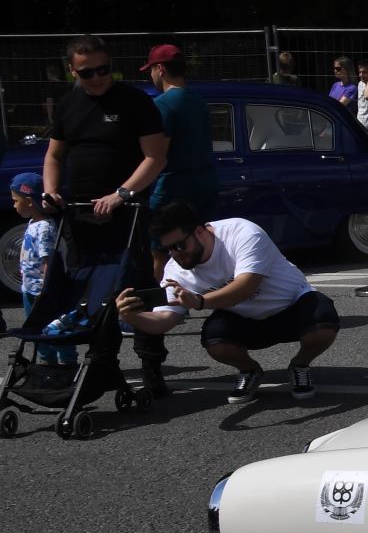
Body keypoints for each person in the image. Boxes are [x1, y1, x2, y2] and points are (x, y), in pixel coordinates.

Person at [41, 35, 172, 396]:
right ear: (73, 71)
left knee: (138, 287)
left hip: (126, 209)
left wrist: (122, 193)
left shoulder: (134, 102)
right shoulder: (69, 105)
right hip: (80, 213)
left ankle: (151, 368)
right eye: (87, 72)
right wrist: (50, 191)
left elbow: (155, 157)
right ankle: (103, 361)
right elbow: (55, 156)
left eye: (103, 69)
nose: (97, 77)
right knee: (91, 288)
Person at [114, 202, 340, 404]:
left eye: (180, 246)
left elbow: (247, 285)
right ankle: (249, 370)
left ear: (199, 231)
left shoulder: (242, 233)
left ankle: (300, 364)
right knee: (215, 339)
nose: (175, 255)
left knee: (323, 321)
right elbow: (164, 319)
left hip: (291, 305)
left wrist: (200, 301)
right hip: (244, 318)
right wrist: (134, 317)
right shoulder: (176, 270)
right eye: (168, 249)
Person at [141, 44, 218, 272]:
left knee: (159, 249)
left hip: (174, 185)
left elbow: (157, 155)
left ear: (160, 68)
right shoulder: (198, 101)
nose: (151, 75)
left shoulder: (162, 105)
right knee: (200, 243)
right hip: (206, 181)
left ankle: (166, 300)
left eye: (151, 69)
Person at [8, 172, 73, 365]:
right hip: (29, 288)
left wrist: (47, 288)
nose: (13, 205)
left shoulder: (45, 227)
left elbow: (49, 261)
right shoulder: (33, 223)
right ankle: (47, 362)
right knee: (36, 327)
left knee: (53, 326)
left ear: (29, 201)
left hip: (43, 292)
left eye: (15, 200)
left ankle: (68, 362)